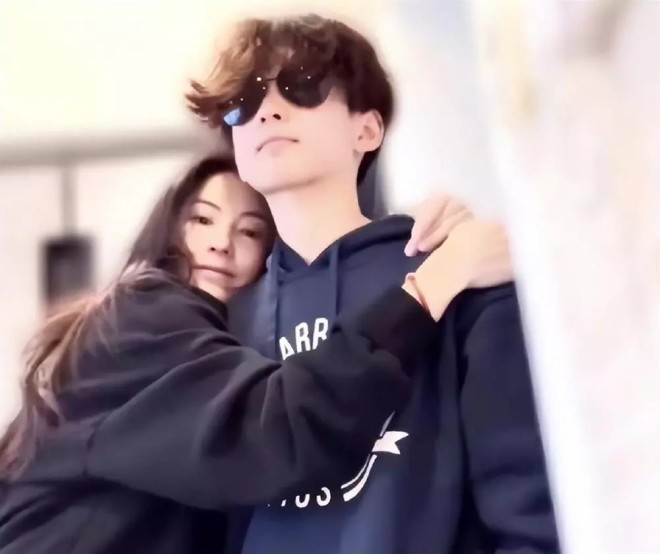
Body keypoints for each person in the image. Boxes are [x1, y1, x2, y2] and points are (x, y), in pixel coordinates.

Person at [0, 154, 513, 554]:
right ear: (166, 230)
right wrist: (435, 280)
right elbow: (274, 430)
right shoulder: (139, 316)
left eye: (249, 231)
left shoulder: (217, 342)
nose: (221, 244)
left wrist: (401, 237)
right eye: (201, 220)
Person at [186, 13, 559, 554]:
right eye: (245, 102)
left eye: (302, 86)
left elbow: (531, 516)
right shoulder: (225, 322)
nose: (267, 109)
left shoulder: (462, 271)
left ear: (367, 130)